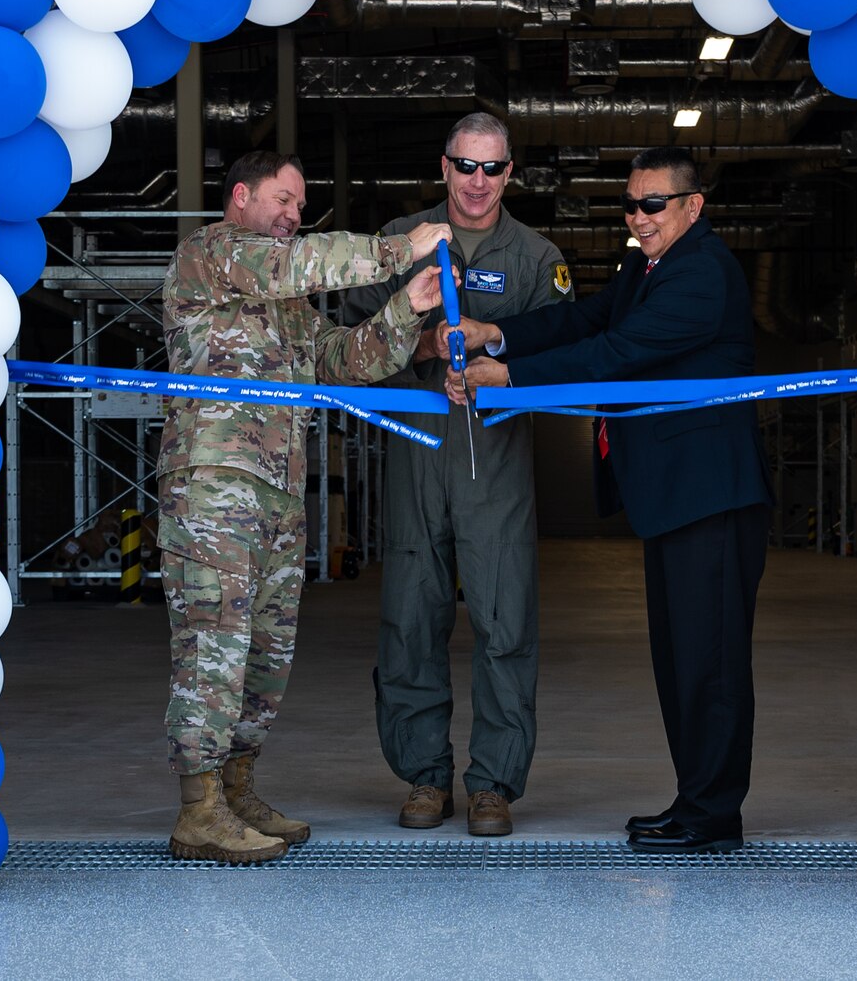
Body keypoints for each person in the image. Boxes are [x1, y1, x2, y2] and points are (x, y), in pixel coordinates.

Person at [442, 147, 772, 853]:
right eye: (631, 203)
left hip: (710, 495)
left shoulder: (703, 275)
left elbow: (617, 353)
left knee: (708, 661)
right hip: (673, 496)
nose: (639, 217)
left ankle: (714, 814)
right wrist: (495, 331)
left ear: (692, 206)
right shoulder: (643, 269)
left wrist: (512, 376)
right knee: (681, 657)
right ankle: (695, 800)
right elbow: (585, 321)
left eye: (654, 204)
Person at [159, 150, 450, 864]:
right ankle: (198, 810)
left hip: (280, 494)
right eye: (283, 200)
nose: (293, 215)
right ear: (240, 198)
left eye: (299, 205)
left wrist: (404, 310)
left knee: (265, 655)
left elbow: (342, 360)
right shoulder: (213, 254)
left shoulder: (286, 301)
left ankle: (235, 787)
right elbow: (303, 264)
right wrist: (398, 248)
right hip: (214, 487)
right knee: (214, 646)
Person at [338, 113, 573, 838]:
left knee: (504, 619)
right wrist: (419, 341)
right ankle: (424, 776)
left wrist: (494, 353)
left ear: (510, 173)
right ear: (443, 167)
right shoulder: (402, 241)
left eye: (492, 168)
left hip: (495, 461)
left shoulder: (536, 256)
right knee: (411, 615)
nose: (478, 182)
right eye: (465, 166)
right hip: (416, 449)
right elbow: (346, 335)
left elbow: (563, 349)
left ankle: (493, 783)